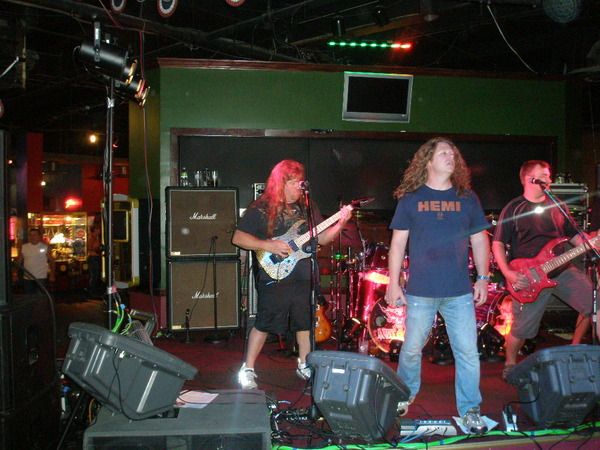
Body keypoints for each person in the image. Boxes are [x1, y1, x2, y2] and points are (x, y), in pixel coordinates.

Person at [384, 137, 490, 434]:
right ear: (428, 161)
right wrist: (393, 283)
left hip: (459, 292)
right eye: (444, 152)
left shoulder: (467, 197)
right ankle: (404, 395)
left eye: (453, 153)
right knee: (411, 349)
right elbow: (397, 244)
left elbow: (480, 239)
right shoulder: (411, 198)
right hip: (420, 291)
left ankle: (470, 409)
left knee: (467, 353)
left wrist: (483, 277)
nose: (450, 156)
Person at [232, 159, 351, 389]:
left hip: (303, 273)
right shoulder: (261, 208)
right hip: (274, 272)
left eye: (300, 182)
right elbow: (238, 238)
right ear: (281, 183)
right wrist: (268, 245)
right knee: (265, 321)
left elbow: (321, 239)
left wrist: (340, 223)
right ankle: (247, 368)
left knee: (304, 321)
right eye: (294, 182)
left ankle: (304, 364)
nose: (299, 187)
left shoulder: (307, 207)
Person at [492, 160, 593, 381]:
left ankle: (574, 350)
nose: (549, 179)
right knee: (522, 330)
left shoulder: (557, 205)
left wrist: (591, 243)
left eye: (549, 175)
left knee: (593, 304)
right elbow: (498, 243)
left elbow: (573, 236)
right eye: (544, 175)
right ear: (530, 179)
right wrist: (508, 273)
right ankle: (510, 363)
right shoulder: (514, 208)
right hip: (530, 276)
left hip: (561, 269)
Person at [18, 228, 53, 295]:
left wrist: (52, 274)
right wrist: (16, 273)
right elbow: (19, 260)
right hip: (27, 277)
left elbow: (52, 261)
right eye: (30, 235)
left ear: (39, 236)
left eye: (34, 235)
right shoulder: (24, 247)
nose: (32, 237)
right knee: (29, 296)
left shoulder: (45, 247)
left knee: (40, 296)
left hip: (41, 277)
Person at [87, 222, 102, 296]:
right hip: (93, 258)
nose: (99, 230)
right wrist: (97, 250)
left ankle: (94, 290)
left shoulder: (97, 237)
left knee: (96, 275)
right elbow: (90, 249)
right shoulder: (92, 238)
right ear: (95, 230)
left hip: (95, 257)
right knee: (94, 275)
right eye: (98, 229)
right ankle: (92, 291)